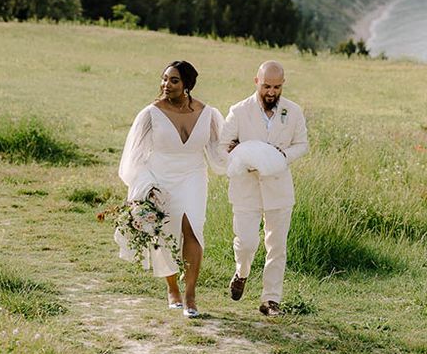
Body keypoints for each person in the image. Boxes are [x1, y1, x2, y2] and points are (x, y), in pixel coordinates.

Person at [117, 60, 225, 318]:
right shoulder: (150, 114)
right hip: (160, 178)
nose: (166, 84)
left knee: (192, 228)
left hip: (193, 177)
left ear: (186, 85)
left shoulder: (208, 114)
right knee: (165, 232)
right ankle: (172, 287)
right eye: (164, 79)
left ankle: (190, 293)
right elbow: (134, 156)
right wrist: (145, 187)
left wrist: (245, 157)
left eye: (174, 80)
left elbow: (220, 151)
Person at [220, 61, 308, 316]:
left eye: (277, 87)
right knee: (246, 242)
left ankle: (271, 300)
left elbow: (302, 144)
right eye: (267, 86)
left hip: (279, 188)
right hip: (246, 187)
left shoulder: (293, 111)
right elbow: (222, 146)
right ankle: (242, 272)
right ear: (256, 81)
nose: (271, 92)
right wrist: (237, 155)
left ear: (283, 85)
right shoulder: (238, 111)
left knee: (277, 246)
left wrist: (283, 155)